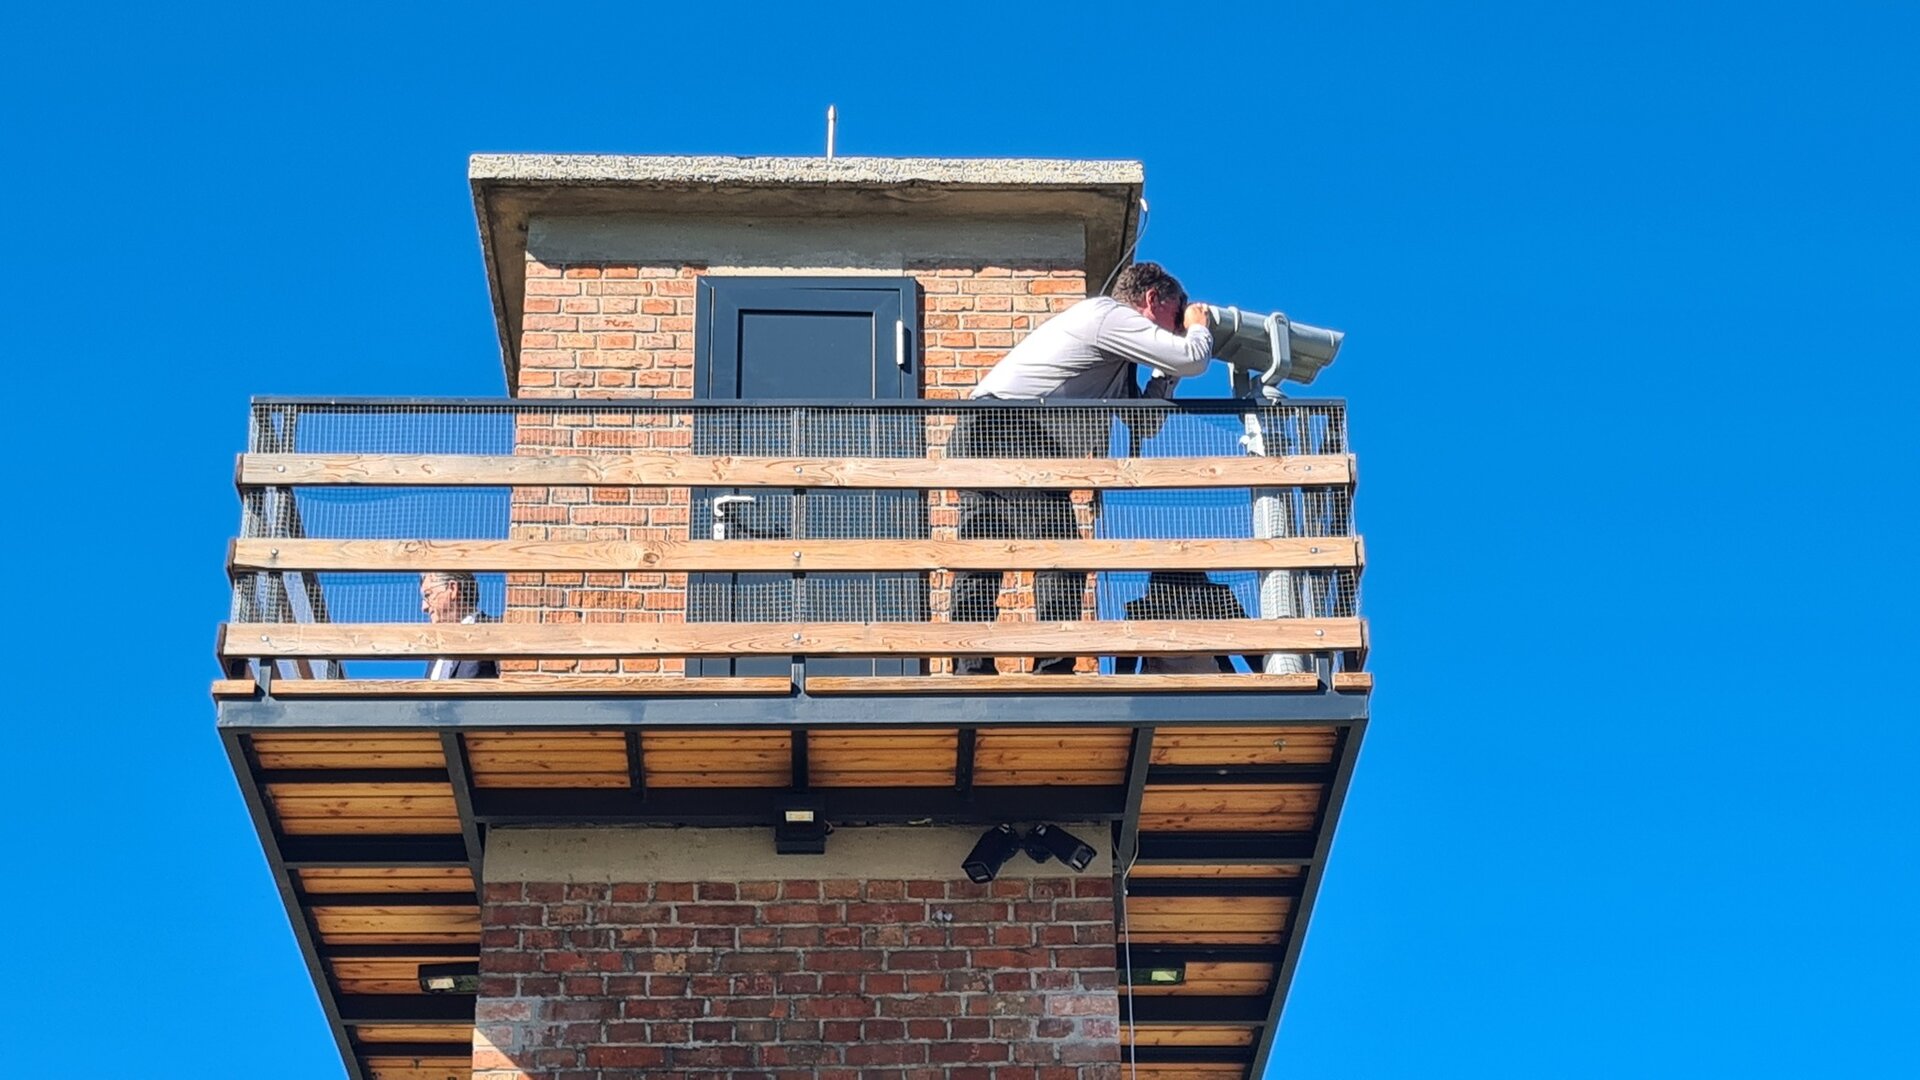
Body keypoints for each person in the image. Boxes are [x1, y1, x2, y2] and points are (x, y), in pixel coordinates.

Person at [951, 262, 1215, 675]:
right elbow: (1195, 358)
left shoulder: (1116, 349)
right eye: (1176, 312)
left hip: (994, 428)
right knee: (1059, 549)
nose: (1178, 324)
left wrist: (1168, 369)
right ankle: (1051, 669)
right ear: (1152, 299)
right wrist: (1197, 327)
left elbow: (1145, 422)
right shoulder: (1109, 316)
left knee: (986, 547)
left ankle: (972, 667)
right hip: (1009, 427)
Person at [419, 571, 498, 679]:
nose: (424, 607)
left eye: (428, 595)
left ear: (452, 589)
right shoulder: (436, 654)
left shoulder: (494, 632)